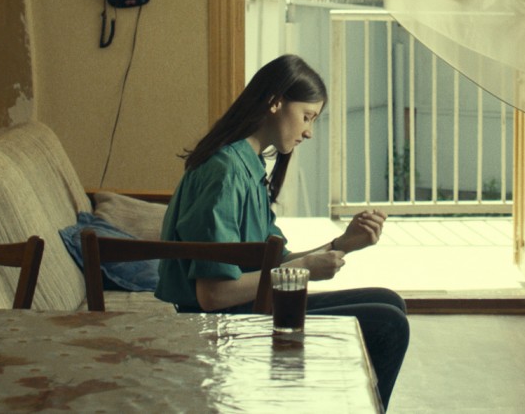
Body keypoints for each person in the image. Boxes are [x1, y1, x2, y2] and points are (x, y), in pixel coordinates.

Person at [156, 54, 410, 407]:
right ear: (275, 102)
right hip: (221, 322)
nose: (309, 132)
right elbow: (212, 294)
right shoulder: (225, 172)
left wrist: (343, 243)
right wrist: (303, 270)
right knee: (388, 323)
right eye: (307, 117)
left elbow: (276, 260)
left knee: (389, 301)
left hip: (247, 307)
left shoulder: (247, 164)